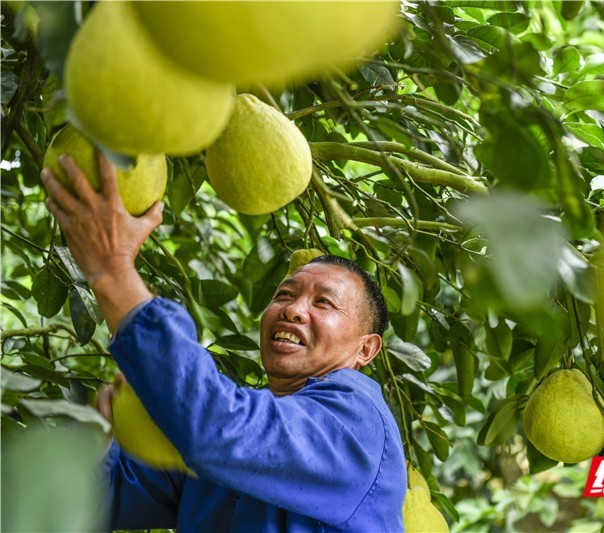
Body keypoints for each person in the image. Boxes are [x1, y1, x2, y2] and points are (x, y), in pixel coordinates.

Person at [40, 153, 407, 531]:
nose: (293, 311)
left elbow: (215, 426)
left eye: (324, 302)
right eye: (283, 295)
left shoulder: (356, 424)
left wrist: (113, 271)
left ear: (366, 349)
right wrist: (94, 432)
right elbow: (88, 505)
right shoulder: (238, 440)